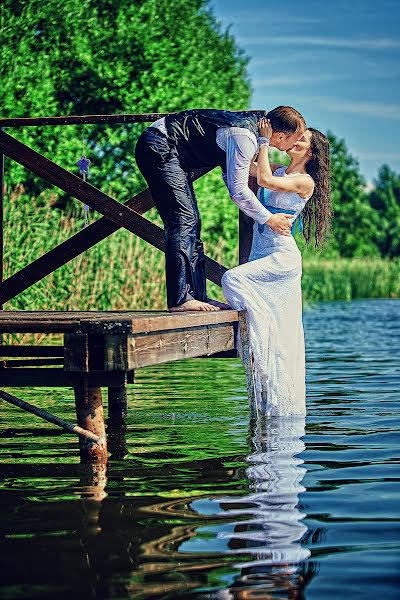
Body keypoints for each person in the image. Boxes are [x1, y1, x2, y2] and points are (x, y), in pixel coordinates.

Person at [135, 107, 306, 312]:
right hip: (159, 146)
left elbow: (232, 176)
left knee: (192, 222)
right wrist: (268, 218)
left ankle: (197, 296)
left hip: (170, 150)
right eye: (295, 139)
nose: (295, 144)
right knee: (183, 221)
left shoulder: (248, 132)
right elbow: (238, 192)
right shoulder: (245, 136)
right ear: (279, 136)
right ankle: (180, 299)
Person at [221, 118, 331, 416]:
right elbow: (250, 172)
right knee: (245, 291)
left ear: (311, 153)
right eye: (296, 138)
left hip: (282, 257)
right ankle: (264, 353)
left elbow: (266, 181)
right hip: (261, 250)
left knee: (231, 279)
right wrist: (248, 141)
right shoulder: (282, 171)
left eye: (302, 141)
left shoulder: (305, 181)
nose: (295, 142)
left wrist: (266, 141)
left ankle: (260, 330)